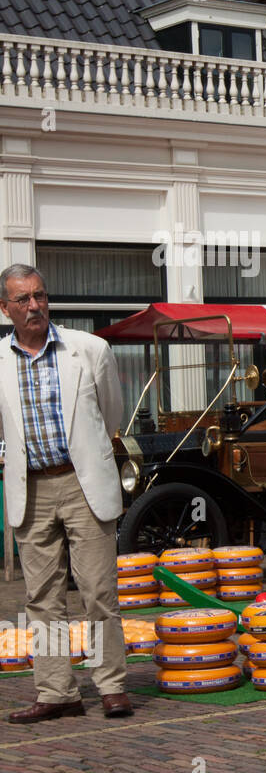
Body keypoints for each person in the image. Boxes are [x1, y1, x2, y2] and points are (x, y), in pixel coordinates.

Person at [0, 264, 132, 723]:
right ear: (5, 308)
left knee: (98, 591)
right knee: (42, 598)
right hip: (29, 488)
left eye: (40, 295)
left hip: (82, 482)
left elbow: (111, 415)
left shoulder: (90, 348)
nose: (34, 305)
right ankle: (57, 692)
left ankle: (112, 686)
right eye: (23, 300)